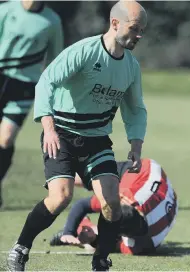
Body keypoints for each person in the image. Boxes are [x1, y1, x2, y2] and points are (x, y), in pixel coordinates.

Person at [6, 1, 148, 271]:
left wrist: (136, 145)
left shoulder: (131, 67)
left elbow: (136, 108)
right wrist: (48, 127)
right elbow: (47, 80)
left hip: (97, 141)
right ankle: (21, 247)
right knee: (60, 197)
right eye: (134, 28)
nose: (139, 35)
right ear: (115, 23)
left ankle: (100, 261)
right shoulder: (85, 51)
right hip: (62, 135)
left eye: (142, 30)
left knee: (112, 206)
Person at [0, 0, 63, 208]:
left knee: (6, 138)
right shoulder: (5, 10)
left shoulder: (52, 21)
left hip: (24, 86)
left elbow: (55, 61)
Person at [49, 158, 178, 256]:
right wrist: (68, 232)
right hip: (145, 170)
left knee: (93, 245)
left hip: (164, 199)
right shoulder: (124, 195)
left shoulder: (143, 245)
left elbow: (111, 245)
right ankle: (57, 174)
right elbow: (82, 205)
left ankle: (85, 226)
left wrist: (93, 239)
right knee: (92, 179)